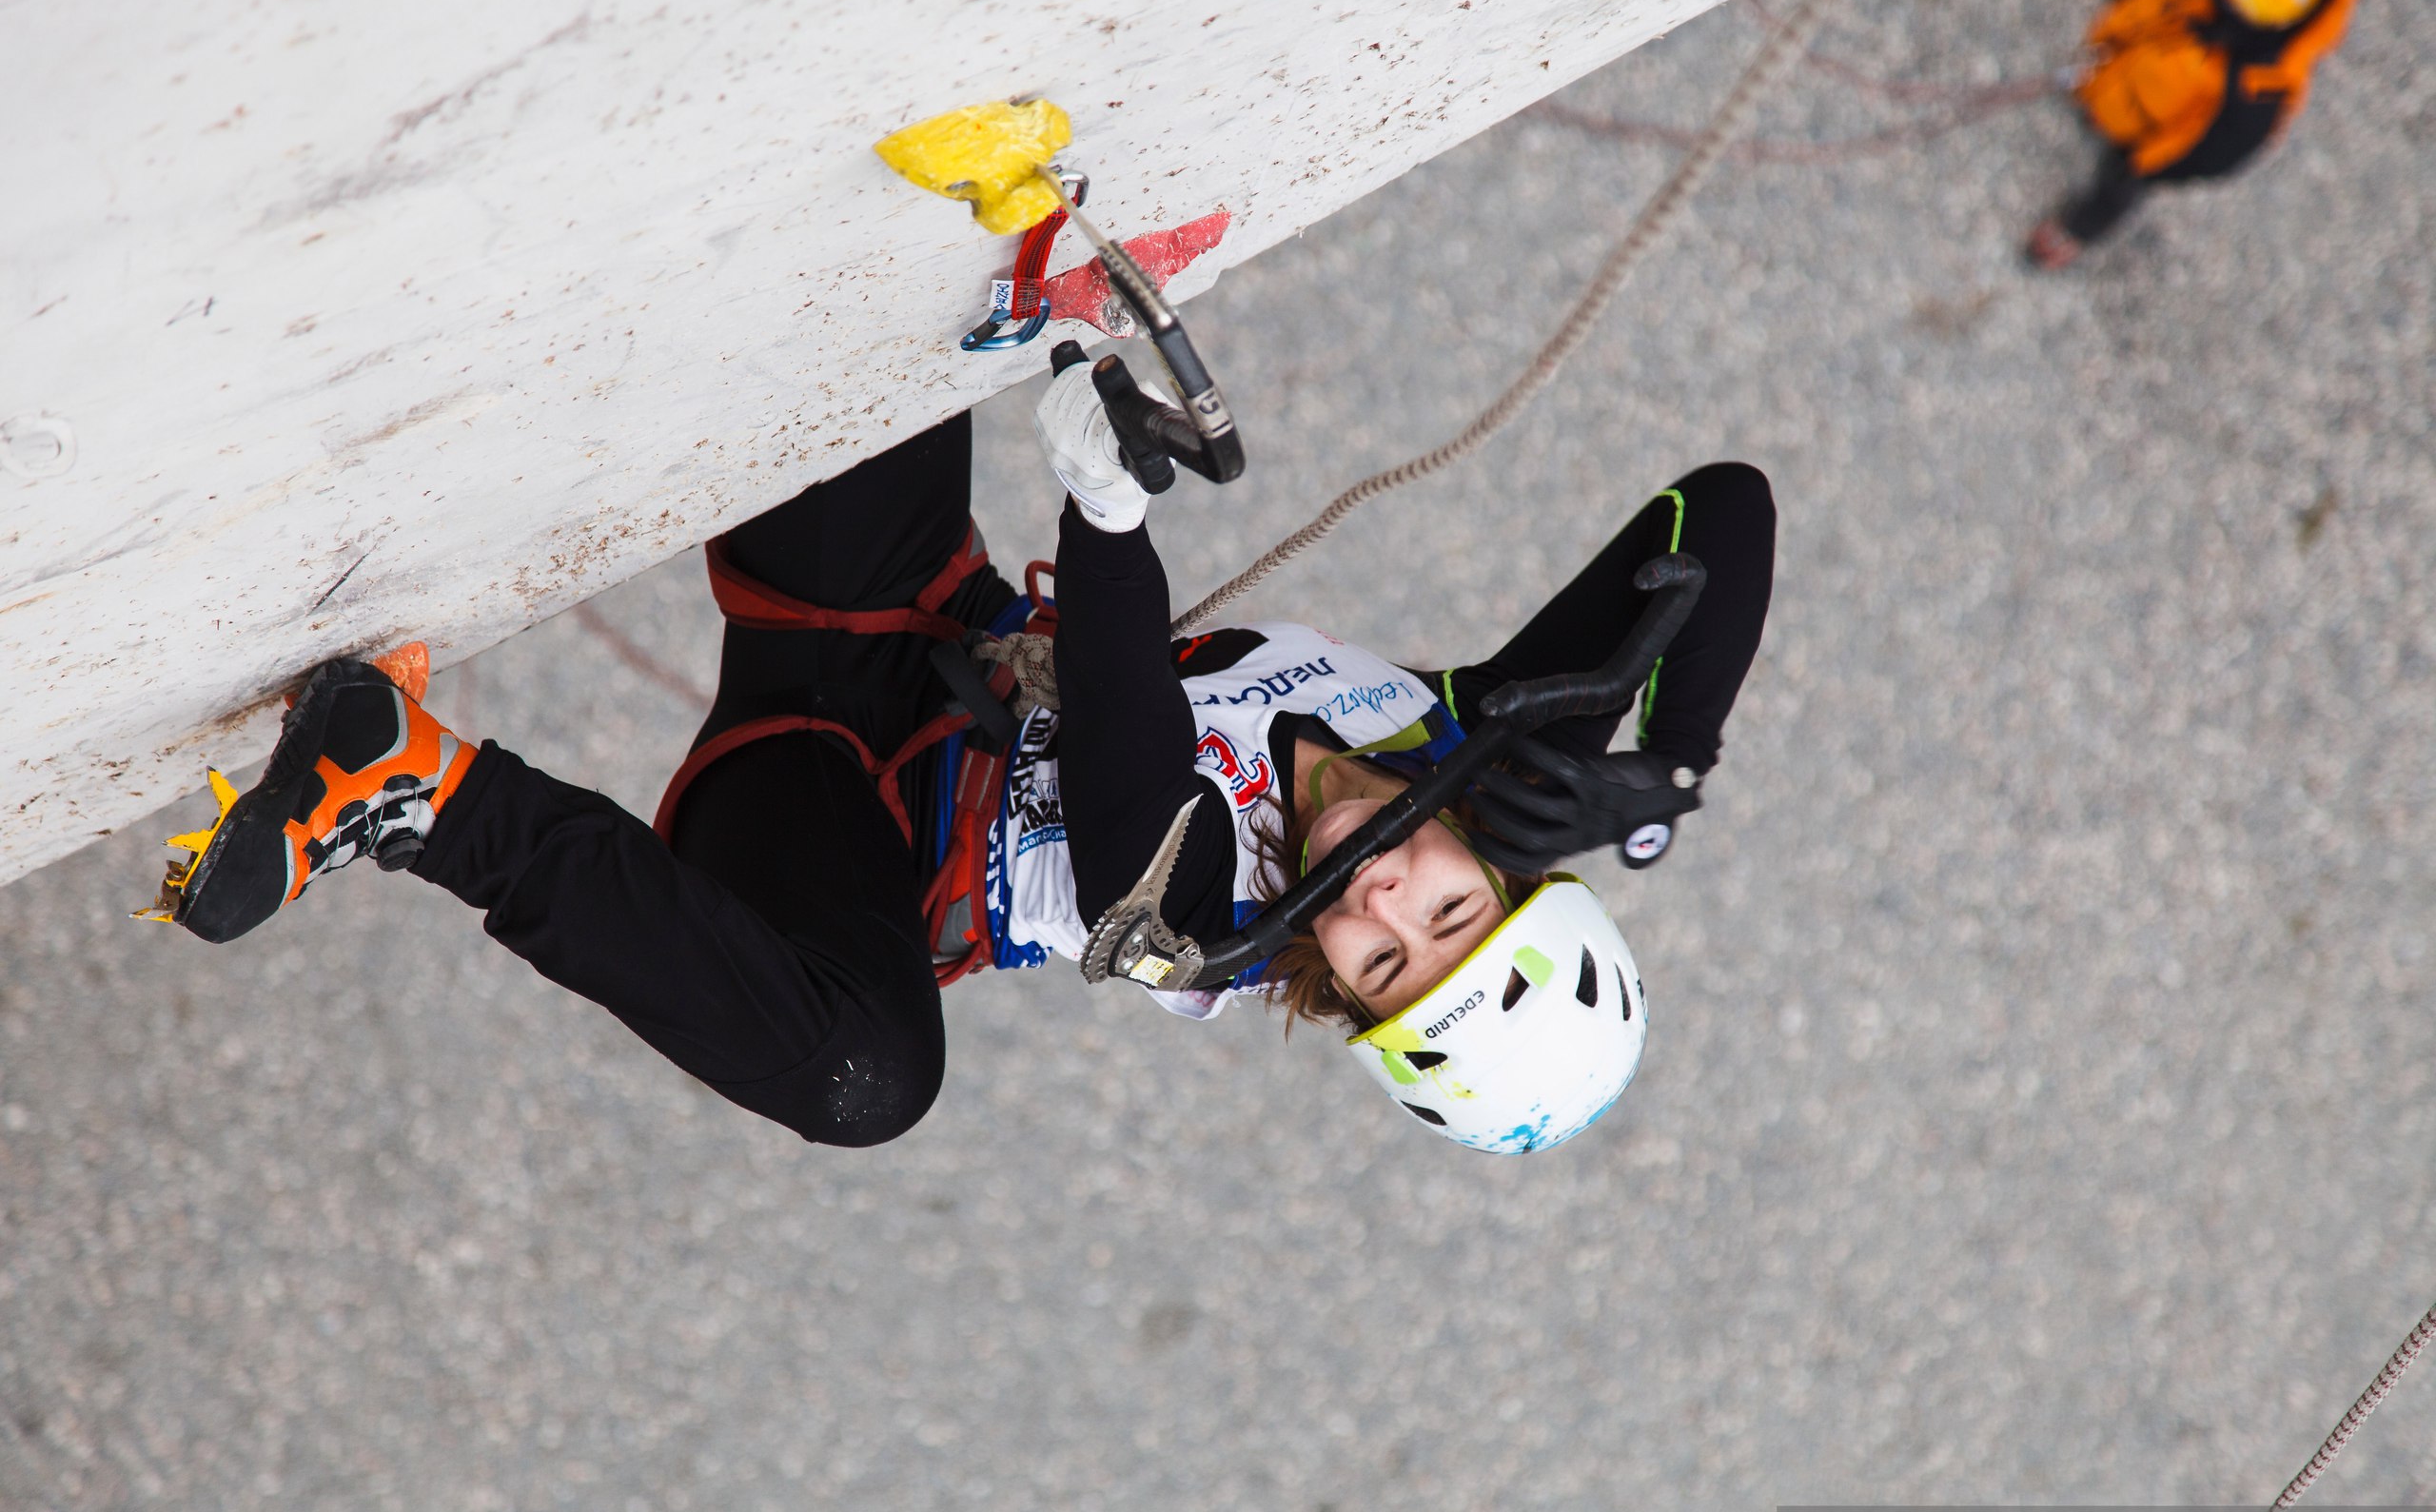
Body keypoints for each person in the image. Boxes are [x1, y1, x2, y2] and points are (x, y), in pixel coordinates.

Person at [147, 366, 1774, 1154]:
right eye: (1452, 909)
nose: (1388, 902)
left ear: (1334, 993)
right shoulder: (1457, 729)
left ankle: (409, 786)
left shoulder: (1220, 931)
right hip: (880, 619)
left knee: (873, 1084)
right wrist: (1664, 781)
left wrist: (1115, 517)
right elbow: (1719, 507)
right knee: (856, 271)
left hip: (822, 831)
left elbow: (1140, 792)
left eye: (1382, 965)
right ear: (1500, 854)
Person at [2027, 0, 2357, 269]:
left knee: (2120, 183)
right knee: (2100, 68)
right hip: (2127, 51)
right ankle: (2093, 94)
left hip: (2150, 130)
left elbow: (2216, 153)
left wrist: (2145, 166)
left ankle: (2077, 229)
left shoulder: (2258, 89)